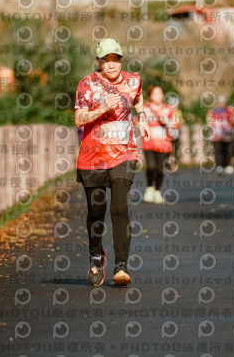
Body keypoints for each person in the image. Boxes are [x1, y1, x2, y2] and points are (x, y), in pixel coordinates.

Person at [74, 37, 150, 287]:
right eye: (105, 60)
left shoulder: (133, 80)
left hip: (123, 154)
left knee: (119, 207)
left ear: (121, 60)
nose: (111, 64)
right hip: (93, 158)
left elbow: (138, 98)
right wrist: (102, 109)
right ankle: (96, 256)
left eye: (115, 59)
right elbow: (79, 119)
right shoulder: (87, 85)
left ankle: (121, 266)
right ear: (98, 62)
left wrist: (143, 117)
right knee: (96, 211)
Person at [141, 85, 179, 204]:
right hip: (149, 142)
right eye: (155, 93)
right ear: (150, 95)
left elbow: (176, 124)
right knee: (151, 166)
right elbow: (137, 121)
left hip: (164, 143)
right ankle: (149, 187)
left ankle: (157, 190)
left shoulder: (168, 110)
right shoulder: (145, 108)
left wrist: (167, 121)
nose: (158, 96)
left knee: (160, 168)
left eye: (160, 93)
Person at [207, 95, 234, 175]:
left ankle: (226, 165)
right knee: (218, 151)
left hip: (227, 135)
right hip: (216, 135)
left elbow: (233, 121)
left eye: (223, 102)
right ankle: (219, 166)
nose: (221, 104)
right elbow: (209, 121)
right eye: (220, 102)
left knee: (228, 151)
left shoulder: (229, 111)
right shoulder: (213, 111)